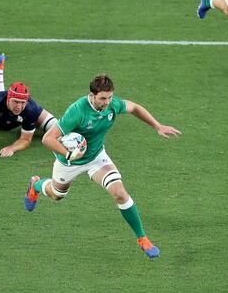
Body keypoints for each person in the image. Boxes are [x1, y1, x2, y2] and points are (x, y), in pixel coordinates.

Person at [23, 74, 182, 258]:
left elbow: (134, 107)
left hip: (97, 157)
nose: (107, 102)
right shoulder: (77, 111)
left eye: (110, 97)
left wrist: (157, 125)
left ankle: (142, 239)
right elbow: (47, 138)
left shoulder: (112, 105)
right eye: (103, 98)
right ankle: (35, 185)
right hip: (69, 161)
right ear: (92, 95)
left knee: (119, 193)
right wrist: (69, 154)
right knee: (56, 195)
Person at [0, 51, 57, 157]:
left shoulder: (30, 109)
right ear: (8, 99)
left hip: (19, 116)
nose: (19, 106)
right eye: (16, 101)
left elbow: (25, 140)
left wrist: (12, 148)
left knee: (60, 129)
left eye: (22, 102)